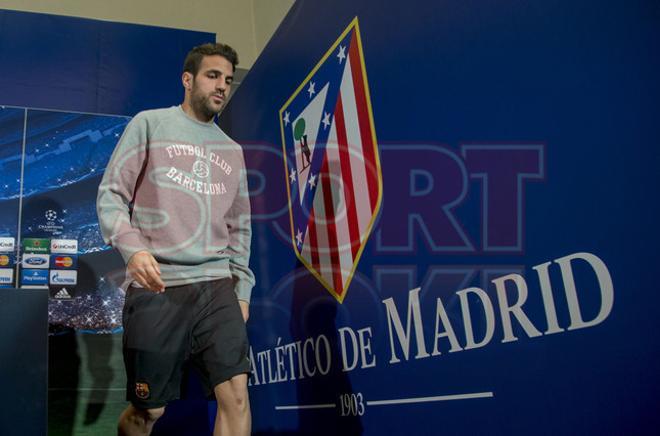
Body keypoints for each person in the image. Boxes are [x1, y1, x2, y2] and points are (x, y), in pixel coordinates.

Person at [96, 42, 254, 436]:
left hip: (217, 285)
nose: (222, 86)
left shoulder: (232, 152)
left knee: (236, 395)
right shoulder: (150, 123)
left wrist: (243, 290)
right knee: (149, 411)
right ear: (188, 79)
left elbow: (240, 227)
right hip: (159, 285)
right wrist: (133, 250)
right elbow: (111, 195)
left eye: (228, 80)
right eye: (212, 76)